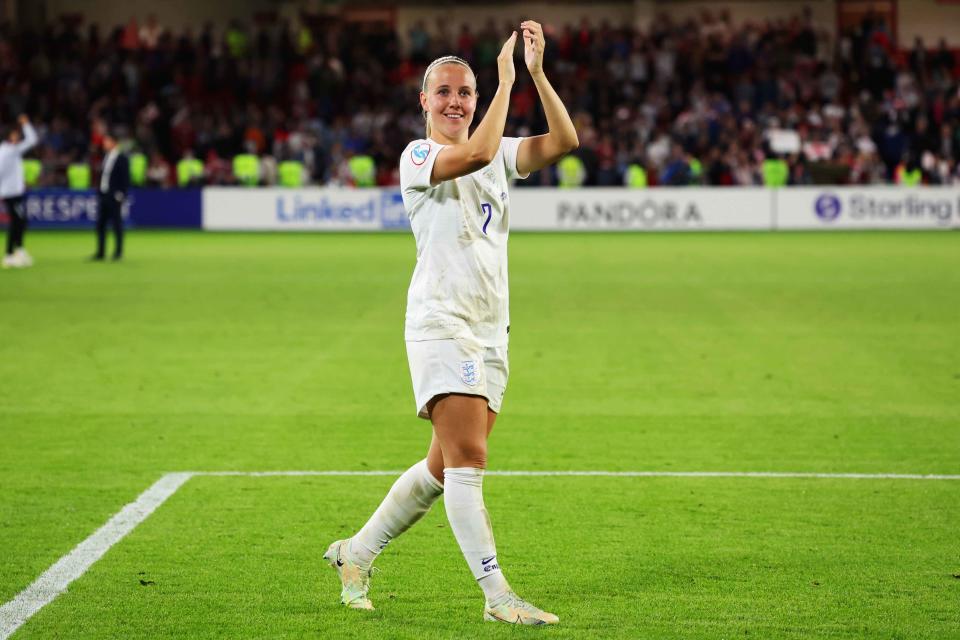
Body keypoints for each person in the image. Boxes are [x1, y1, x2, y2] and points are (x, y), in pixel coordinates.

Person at [323, 20, 578, 626]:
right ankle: (497, 598)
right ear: (424, 101)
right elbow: (480, 152)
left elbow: (565, 140)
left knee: (443, 467)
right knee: (468, 463)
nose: (457, 101)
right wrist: (505, 80)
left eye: (465, 91)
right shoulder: (421, 155)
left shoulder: (497, 151)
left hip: (493, 330)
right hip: (443, 324)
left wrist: (538, 76)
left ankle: (355, 553)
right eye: (445, 91)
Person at [0, 114, 38, 269]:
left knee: (18, 222)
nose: (17, 138)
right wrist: (26, 124)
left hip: (12, 192)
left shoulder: (6, 150)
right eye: (14, 135)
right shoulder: (10, 150)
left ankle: (19, 251)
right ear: (9, 137)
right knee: (19, 222)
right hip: (11, 194)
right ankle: (10, 254)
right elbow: (32, 140)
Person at [93, 132, 129, 261]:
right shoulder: (106, 157)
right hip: (103, 195)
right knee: (100, 225)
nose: (104, 143)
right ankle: (100, 253)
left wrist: (120, 195)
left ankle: (118, 253)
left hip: (114, 196)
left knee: (116, 225)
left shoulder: (122, 158)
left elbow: (125, 179)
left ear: (114, 143)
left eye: (107, 141)